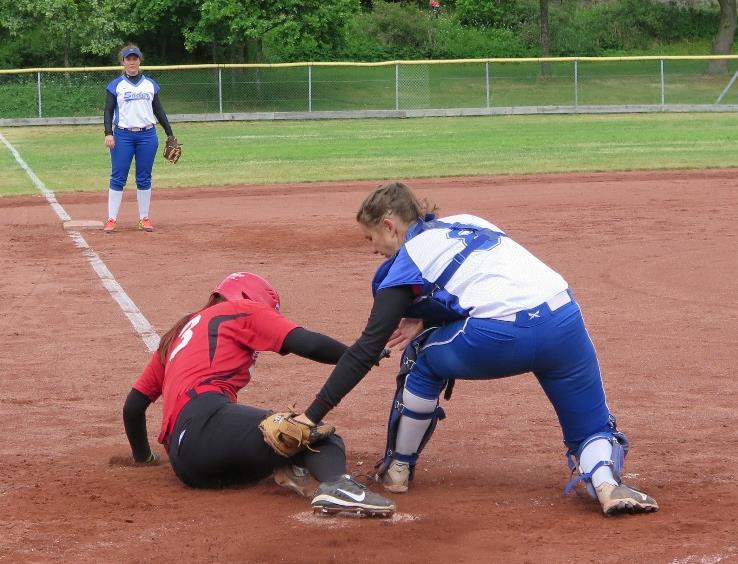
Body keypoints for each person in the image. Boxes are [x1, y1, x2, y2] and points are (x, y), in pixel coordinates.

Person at [297, 181, 659, 516]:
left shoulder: (410, 257)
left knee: (421, 356)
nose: (374, 248)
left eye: (371, 237)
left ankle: (397, 468)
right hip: (564, 320)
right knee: (590, 425)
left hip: (504, 336)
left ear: (390, 225)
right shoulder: (470, 222)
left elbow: (366, 347)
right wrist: (429, 316)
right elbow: (486, 279)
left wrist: (312, 415)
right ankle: (608, 484)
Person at [120, 271, 395, 517]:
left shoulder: (177, 335)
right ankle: (339, 485)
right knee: (316, 435)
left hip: (187, 465)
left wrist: (144, 457)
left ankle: (291, 467)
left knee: (283, 444)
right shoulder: (241, 308)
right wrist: (358, 355)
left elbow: (133, 407)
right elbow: (307, 343)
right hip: (205, 421)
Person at [102, 44, 175, 234]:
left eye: (135, 58)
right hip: (123, 135)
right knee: (118, 177)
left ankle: (144, 218)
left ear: (139, 61)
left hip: (147, 135)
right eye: (128, 59)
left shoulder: (150, 84)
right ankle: (112, 219)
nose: (132, 62)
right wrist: (108, 133)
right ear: (123, 62)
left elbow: (158, 110)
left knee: (144, 177)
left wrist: (170, 133)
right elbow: (108, 111)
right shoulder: (116, 85)